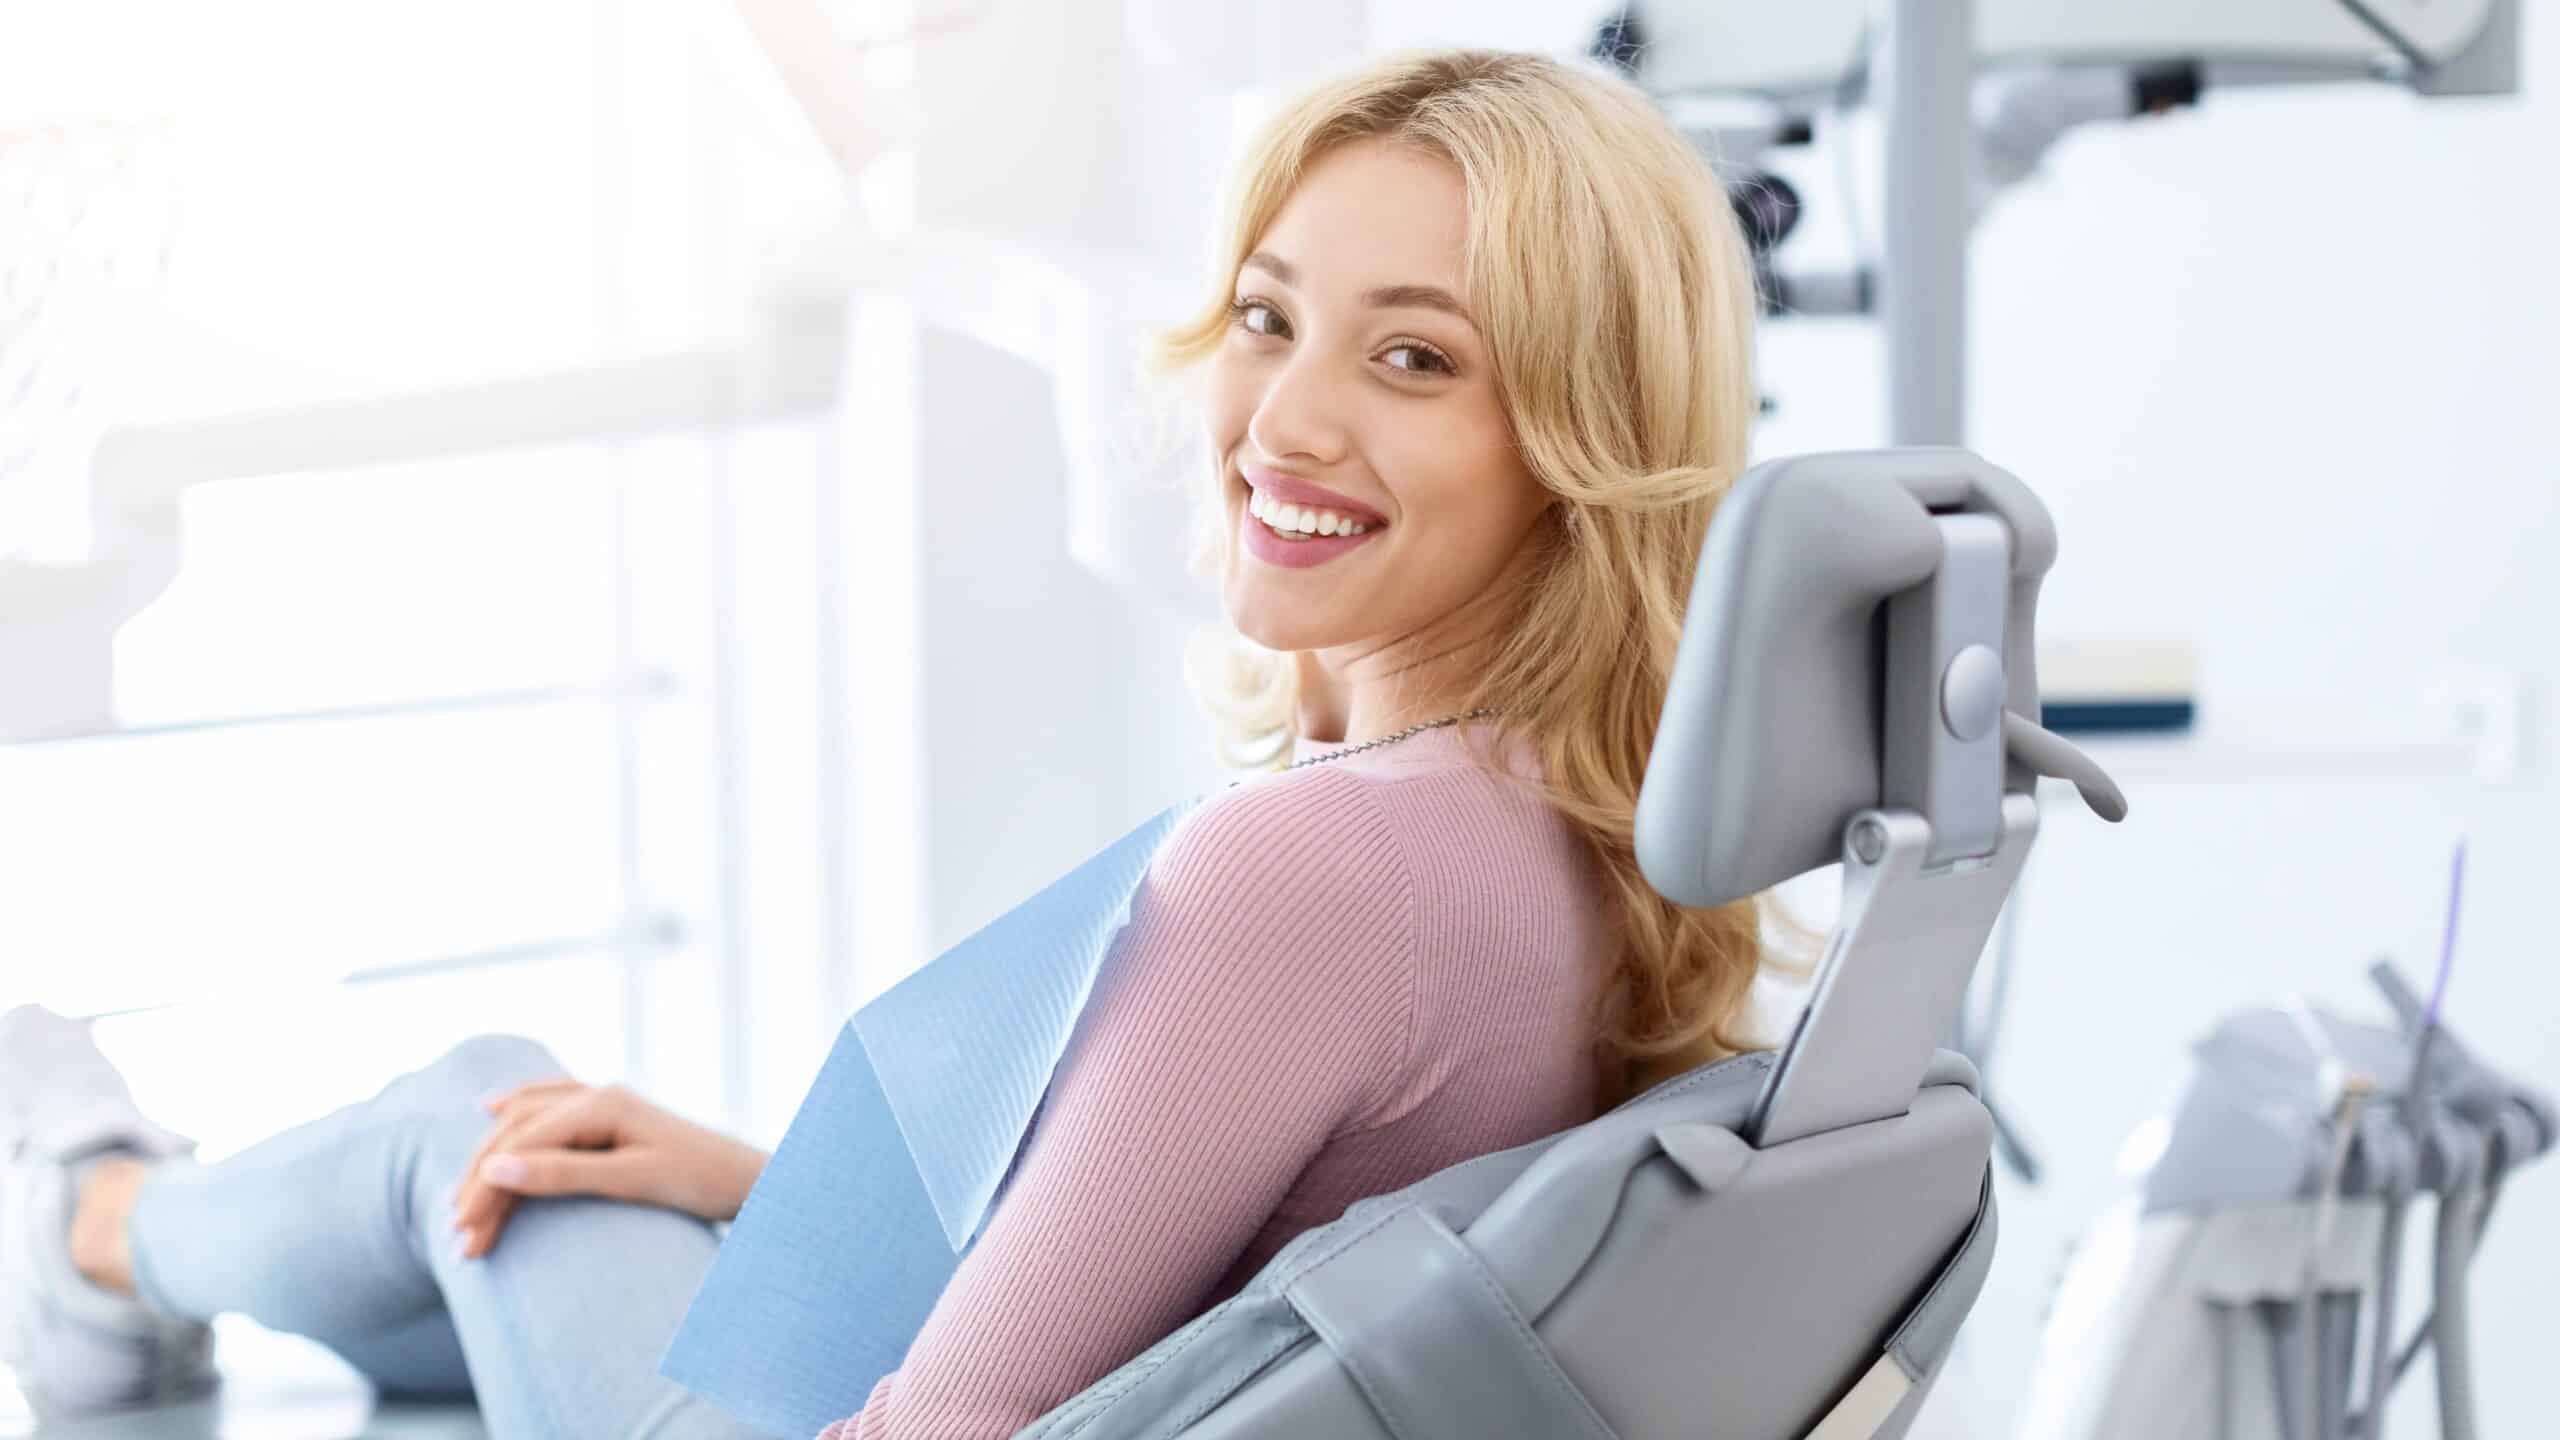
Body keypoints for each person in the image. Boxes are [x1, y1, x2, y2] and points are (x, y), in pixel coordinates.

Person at [0, 46, 1776, 1439]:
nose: (1283, 420)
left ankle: (88, 1228)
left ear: (1577, 436)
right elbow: (1231, 1271)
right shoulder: (1588, 824)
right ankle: (134, 1253)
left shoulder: (1316, 866)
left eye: (1413, 361)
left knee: (469, 1112)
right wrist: (752, 1194)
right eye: (1267, 316)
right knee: (530, 1157)